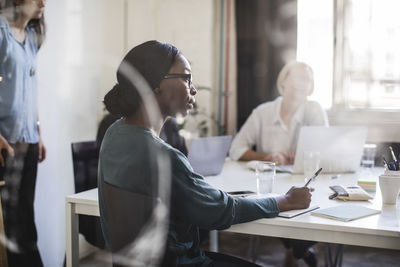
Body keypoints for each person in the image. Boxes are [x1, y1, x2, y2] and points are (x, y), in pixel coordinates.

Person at [98, 40, 313, 267]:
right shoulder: (164, 157)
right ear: (155, 84)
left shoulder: (114, 135)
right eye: (186, 77)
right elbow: (223, 211)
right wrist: (285, 200)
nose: (193, 89)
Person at [229, 61, 328, 267]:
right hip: (271, 184)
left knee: (308, 203)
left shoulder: (314, 109)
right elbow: (236, 149)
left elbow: (323, 151)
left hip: (304, 183)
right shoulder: (263, 112)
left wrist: (299, 154)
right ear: (284, 80)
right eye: (298, 77)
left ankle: (296, 249)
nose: (303, 83)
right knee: (280, 202)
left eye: (307, 80)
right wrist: (267, 157)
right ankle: (299, 249)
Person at [0, 0, 47, 266]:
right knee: (11, 222)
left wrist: (39, 132)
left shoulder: (31, 37)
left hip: (27, 142)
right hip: (4, 143)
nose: (43, 3)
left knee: (25, 219)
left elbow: (32, 88)